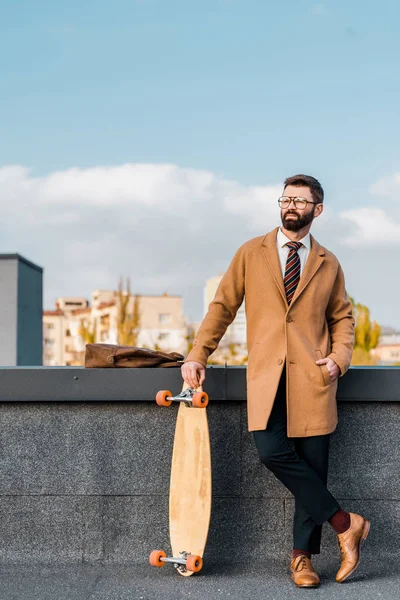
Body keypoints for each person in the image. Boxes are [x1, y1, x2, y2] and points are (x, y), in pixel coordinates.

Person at [181, 174, 370, 588]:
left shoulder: (328, 261)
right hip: (268, 378)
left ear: (316, 210)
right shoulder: (252, 252)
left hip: (314, 378)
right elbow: (222, 307)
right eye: (286, 198)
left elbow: (342, 317)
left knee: (313, 468)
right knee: (271, 451)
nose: (291, 206)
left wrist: (339, 360)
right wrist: (198, 354)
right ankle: (346, 523)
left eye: (300, 201)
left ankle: (302, 560)